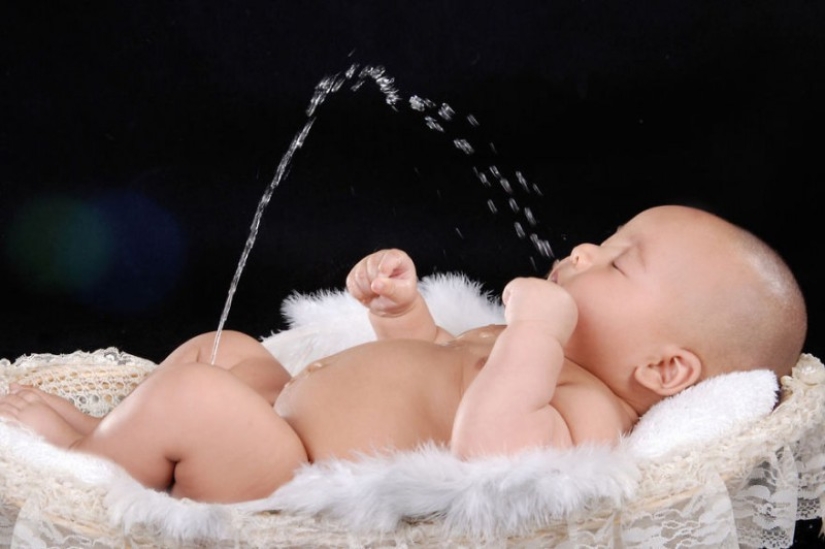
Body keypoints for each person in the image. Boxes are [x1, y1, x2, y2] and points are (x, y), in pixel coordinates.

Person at [0, 205, 808, 504]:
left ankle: (81, 459)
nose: (588, 247)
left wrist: (534, 329)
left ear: (664, 370)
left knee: (198, 402)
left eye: (619, 260)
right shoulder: (521, 351)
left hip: (284, 473)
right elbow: (434, 366)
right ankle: (106, 433)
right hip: (281, 411)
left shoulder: (588, 410)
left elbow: (487, 453)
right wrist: (402, 311)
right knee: (226, 349)